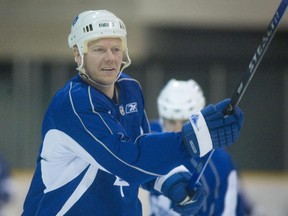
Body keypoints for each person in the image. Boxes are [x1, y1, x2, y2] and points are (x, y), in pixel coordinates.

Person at [22, 10, 244, 216]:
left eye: (116, 49)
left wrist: (170, 180)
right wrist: (195, 136)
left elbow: (142, 145)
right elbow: (127, 160)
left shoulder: (130, 88)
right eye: (99, 49)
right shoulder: (74, 103)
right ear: (78, 54)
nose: (110, 58)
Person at [149, 79, 250, 216]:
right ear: (162, 119)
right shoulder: (151, 138)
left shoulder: (219, 165)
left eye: (185, 122)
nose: (178, 130)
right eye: (171, 122)